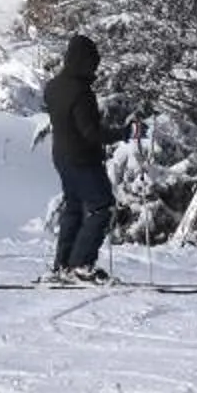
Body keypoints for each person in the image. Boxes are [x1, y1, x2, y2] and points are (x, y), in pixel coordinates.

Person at [44, 33, 116, 282]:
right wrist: (125, 133)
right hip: (83, 158)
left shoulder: (53, 87)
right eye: (93, 62)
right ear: (84, 61)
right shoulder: (81, 92)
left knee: (74, 208)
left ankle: (62, 264)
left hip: (61, 156)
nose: (95, 68)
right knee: (101, 207)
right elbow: (91, 133)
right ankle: (80, 264)